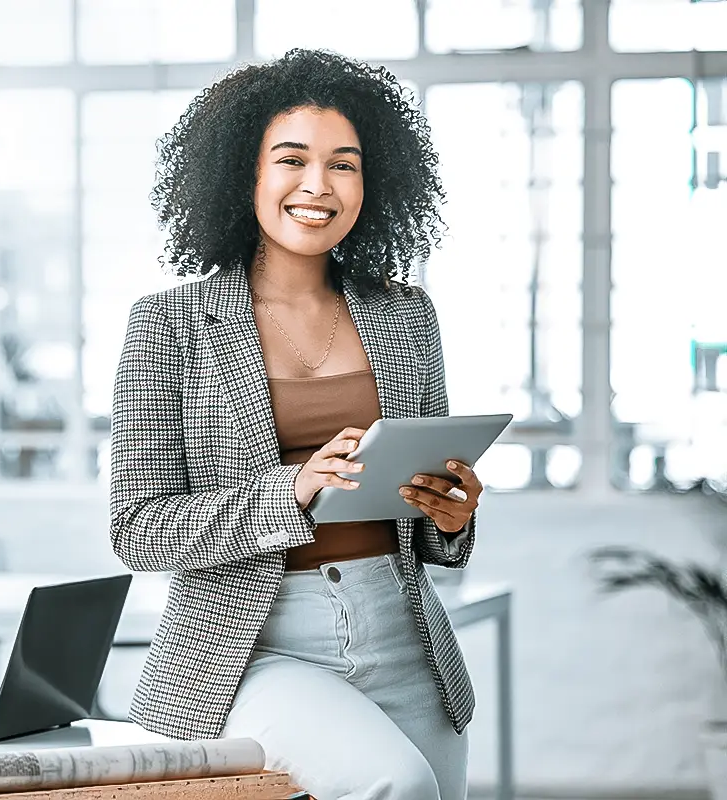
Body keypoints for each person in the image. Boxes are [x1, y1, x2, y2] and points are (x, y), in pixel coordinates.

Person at [109, 49, 485, 800]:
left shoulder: (407, 315)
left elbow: (435, 523)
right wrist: (294, 490)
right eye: (292, 160)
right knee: (397, 783)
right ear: (242, 174)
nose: (318, 186)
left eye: (343, 164)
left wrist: (453, 513)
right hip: (254, 645)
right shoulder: (168, 324)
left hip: (402, 628)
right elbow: (137, 528)